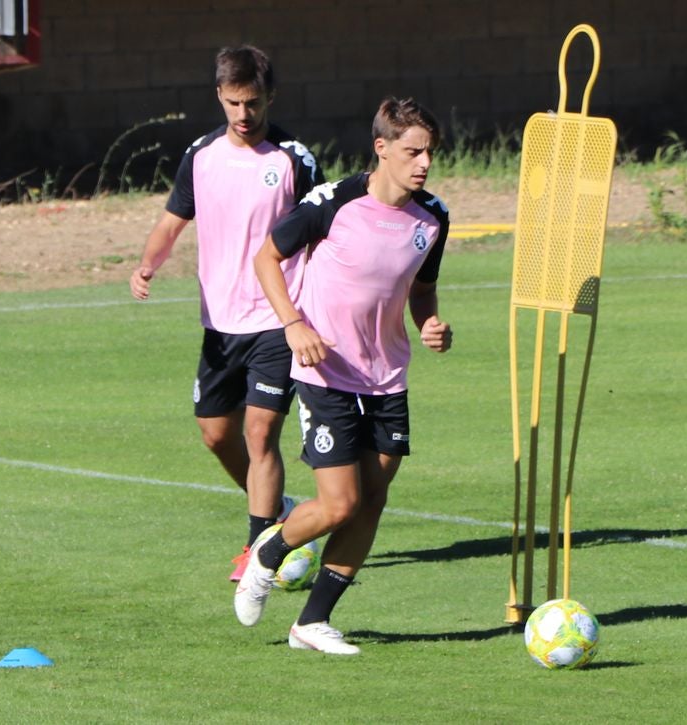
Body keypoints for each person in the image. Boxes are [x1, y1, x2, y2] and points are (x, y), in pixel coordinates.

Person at [240, 97, 453, 655]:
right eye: (413, 151)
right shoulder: (332, 202)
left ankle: (311, 622)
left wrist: (430, 323)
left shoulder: (434, 218)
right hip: (326, 372)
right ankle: (267, 553)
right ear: (381, 148)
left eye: (430, 151)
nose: (425, 161)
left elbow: (422, 291)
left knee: (372, 502)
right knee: (339, 504)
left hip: (388, 379)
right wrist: (292, 325)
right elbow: (266, 258)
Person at [129, 46, 323, 580]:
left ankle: (258, 546)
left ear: (270, 97)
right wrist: (147, 265)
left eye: (253, 102)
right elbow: (172, 222)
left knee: (261, 434)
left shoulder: (294, 160)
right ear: (219, 95)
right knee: (216, 433)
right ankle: (279, 511)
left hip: (277, 319)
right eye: (234, 102)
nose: (244, 113)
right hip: (220, 324)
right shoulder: (202, 155)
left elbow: (324, 236)